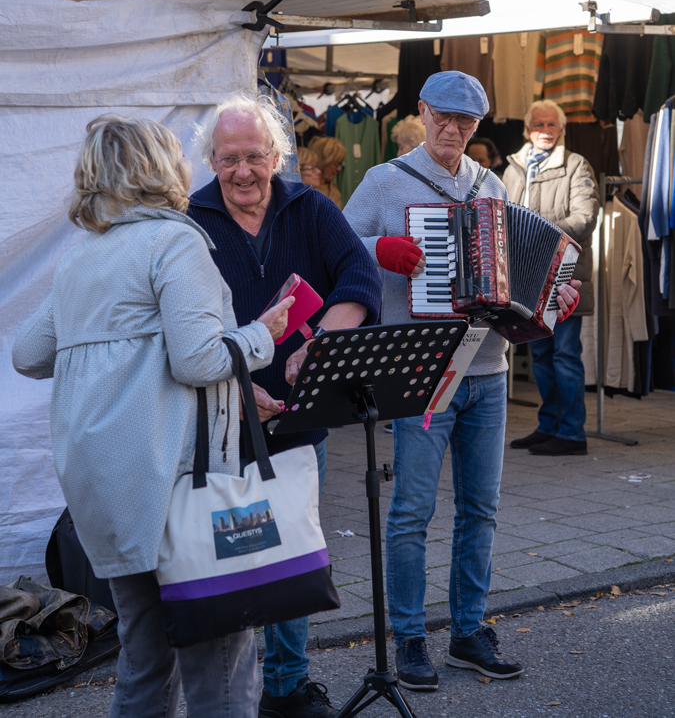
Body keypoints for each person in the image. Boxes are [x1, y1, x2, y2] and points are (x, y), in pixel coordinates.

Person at [12, 115, 294, 718]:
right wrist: (260, 335)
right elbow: (196, 360)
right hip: (176, 483)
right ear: (161, 169)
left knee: (142, 659)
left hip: (105, 488)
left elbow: (28, 354)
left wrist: (114, 347)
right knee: (219, 664)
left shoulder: (83, 255)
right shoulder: (175, 240)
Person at [343, 71, 580, 692]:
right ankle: (411, 637)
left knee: (482, 509)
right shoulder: (384, 180)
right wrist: (379, 249)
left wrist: (556, 297)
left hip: (489, 370)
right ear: (422, 111)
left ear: (479, 125)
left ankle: (469, 632)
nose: (452, 130)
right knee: (411, 511)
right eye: (443, 117)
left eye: (466, 122)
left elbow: (520, 274)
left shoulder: (490, 184)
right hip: (422, 374)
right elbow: (336, 249)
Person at [188, 93, 382, 718]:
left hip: (300, 415)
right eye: (228, 160)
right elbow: (181, 331)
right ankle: (235, 690)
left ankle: (287, 687)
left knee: (296, 549)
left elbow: (359, 274)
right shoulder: (187, 222)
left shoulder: (311, 207)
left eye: (253, 156)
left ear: (276, 155)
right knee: (235, 554)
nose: (242, 172)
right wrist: (239, 389)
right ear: (211, 161)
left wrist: (323, 343)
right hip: (220, 419)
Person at [503, 99, 599, 456]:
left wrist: (545, 237)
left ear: (562, 130)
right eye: (538, 124)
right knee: (541, 353)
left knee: (565, 355)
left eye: (552, 125)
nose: (544, 130)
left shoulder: (576, 165)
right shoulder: (512, 168)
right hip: (527, 278)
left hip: (565, 277)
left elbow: (585, 217)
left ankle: (572, 432)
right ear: (528, 129)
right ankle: (549, 425)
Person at [307, 136, 347, 208]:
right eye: (336, 164)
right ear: (323, 162)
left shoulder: (335, 191)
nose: (339, 169)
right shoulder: (307, 191)